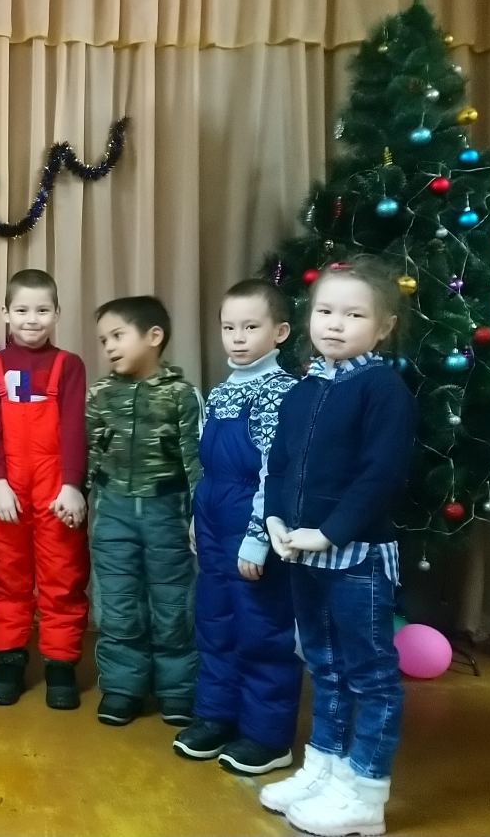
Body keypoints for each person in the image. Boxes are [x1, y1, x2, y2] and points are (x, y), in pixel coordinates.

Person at [257, 258, 416, 837]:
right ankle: (324, 768)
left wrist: (331, 531)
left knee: (368, 675)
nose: (335, 323)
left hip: (357, 559)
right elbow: (280, 464)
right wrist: (276, 519)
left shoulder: (383, 389)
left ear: (384, 326)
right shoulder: (302, 390)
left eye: (354, 315)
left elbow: (381, 474)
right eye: (325, 310)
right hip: (302, 553)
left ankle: (364, 794)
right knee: (322, 665)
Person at [173, 279, 300, 775]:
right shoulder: (223, 391)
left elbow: (275, 471)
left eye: (251, 327)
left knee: (260, 628)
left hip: (253, 527)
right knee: (216, 621)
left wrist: (258, 536)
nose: (238, 338)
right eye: (229, 328)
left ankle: (267, 737)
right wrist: (196, 517)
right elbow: (208, 467)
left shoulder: (282, 392)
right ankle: (217, 717)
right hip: (213, 522)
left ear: (280, 332)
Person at [86, 296, 204, 726]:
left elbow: (196, 461)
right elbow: (89, 454)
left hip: (167, 511)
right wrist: (76, 494)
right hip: (112, 510)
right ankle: (122, 686)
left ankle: (177, 688)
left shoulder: (182, 396)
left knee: (172, 601)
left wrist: (199, 514)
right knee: (117, 600)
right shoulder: (100, 395)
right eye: (104, 340)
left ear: (154, 336)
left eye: (118, 336)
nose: (109, 347)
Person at [0, 269, 89, 709]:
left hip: (56, 489)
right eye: (22, 310)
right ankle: (8, 658)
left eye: (42, 310)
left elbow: (74, 428)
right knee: (7, 575)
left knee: (63, 575)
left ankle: (60, 663)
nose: (31, 319)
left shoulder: (69, 365)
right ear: (5, 313)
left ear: (57, 313)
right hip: (7, 489)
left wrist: (72, 486)